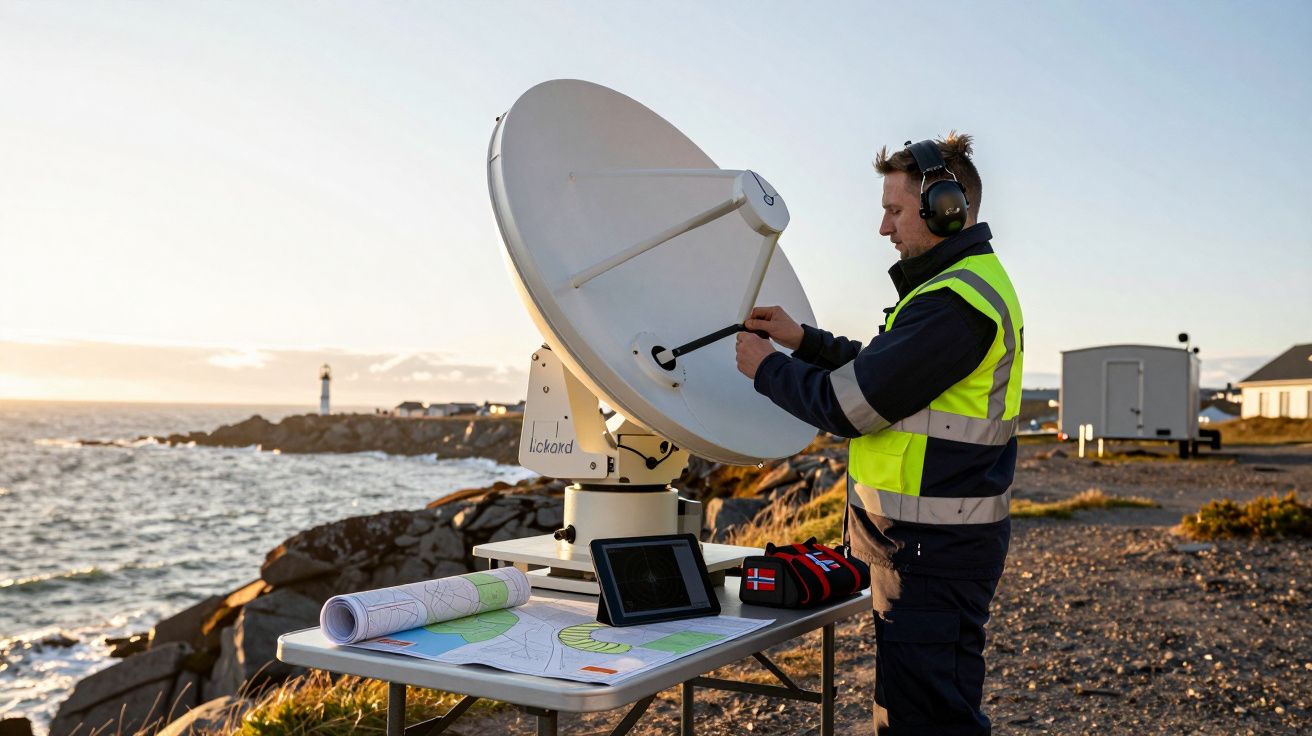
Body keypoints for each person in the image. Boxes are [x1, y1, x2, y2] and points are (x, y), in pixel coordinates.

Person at [734, 132, 1022, 735]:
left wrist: (767, 369)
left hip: (931, 552)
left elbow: (850, 406)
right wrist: (804, 341)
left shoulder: (954, 303)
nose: (884, 229)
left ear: (945, 208)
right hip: (928, 547)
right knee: (923, 706)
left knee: (927, 720)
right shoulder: (950, 289)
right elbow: (886, 370)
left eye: (893, 211)